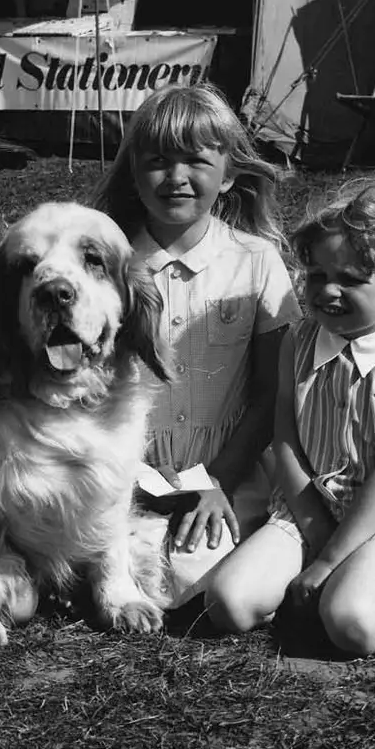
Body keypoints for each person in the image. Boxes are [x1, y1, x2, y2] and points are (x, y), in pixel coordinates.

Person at [204, 176, 375, 657]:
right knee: (228, 602)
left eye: (350, 279)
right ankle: (344, 574)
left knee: (352, 624)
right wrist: (316, 533)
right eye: (316, 275)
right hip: (320, 501)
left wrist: (328, 562)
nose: (328, 291)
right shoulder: (298, 342)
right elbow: (286, 443)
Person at [89, 83, 301, 598]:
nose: (176, 177)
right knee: (135, 573)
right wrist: (133, 471)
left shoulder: (256, 261)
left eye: (196, 161)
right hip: (123, 467)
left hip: (229, 466)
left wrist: (216, 480)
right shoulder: (106, 265)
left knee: (188, 576)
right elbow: (88, 387)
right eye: (158, 161)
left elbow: (272, 391)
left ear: (228, 174)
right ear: (133, 172)